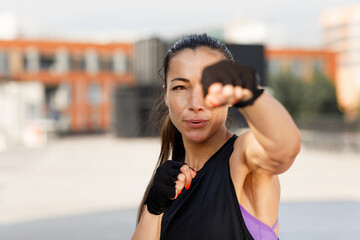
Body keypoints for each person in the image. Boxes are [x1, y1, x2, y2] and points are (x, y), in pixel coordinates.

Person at [131, 34, 301, 240]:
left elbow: (285, 148)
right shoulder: (168, 184)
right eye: (181, 87)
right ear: (166, 95)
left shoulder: (243, 159)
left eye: (209, 88)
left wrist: (250, 95)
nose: (195, 104)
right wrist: (154, 208)